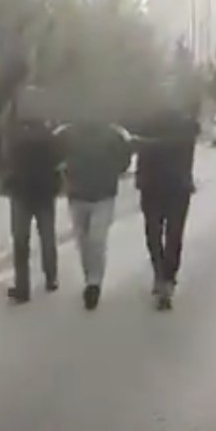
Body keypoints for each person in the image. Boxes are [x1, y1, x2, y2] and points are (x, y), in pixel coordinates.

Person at [125, 97, 201, 309]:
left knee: (153, 232)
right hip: (178, 186)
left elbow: (133, 141)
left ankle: (160, 273)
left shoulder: (145, 124)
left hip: (152, 186)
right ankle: (168, 276)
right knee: (174, 234)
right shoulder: (187, 125)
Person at [58, 122, 133, 310]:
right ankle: (89, 277)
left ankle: (94, 283)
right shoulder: (67, 132)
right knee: (83, 241)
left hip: (103, 195)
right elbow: (55, 155)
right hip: (77, 195)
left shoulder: (113, 133)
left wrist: (112, 171)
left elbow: (125, 160)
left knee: (97, 239)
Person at [3, 112, 63, 304]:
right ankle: (51, 277)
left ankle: (22, 287)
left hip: (21, 193)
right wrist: (56, 186)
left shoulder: (14, 135)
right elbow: (58, 162)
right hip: (44, 193)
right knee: (47, 237)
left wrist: (8, 184)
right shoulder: (49, 136)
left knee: (21, 241)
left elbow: (7, 162)